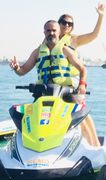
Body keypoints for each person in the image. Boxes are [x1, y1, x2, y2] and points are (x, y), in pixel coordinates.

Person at [10, 20, 100, 148]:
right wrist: (16, 68)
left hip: (65, 93)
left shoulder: (65, 50)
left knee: (81, 123)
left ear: (59, 32)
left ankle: (94, 151)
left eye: (54, 30)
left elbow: (82, 68)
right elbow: (22, 71)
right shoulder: (37, 52)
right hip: (42, 94)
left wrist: (81, 84)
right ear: (44, 32)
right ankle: (33, 149)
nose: (51, 33)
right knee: (30, 122)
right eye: (48, 30)